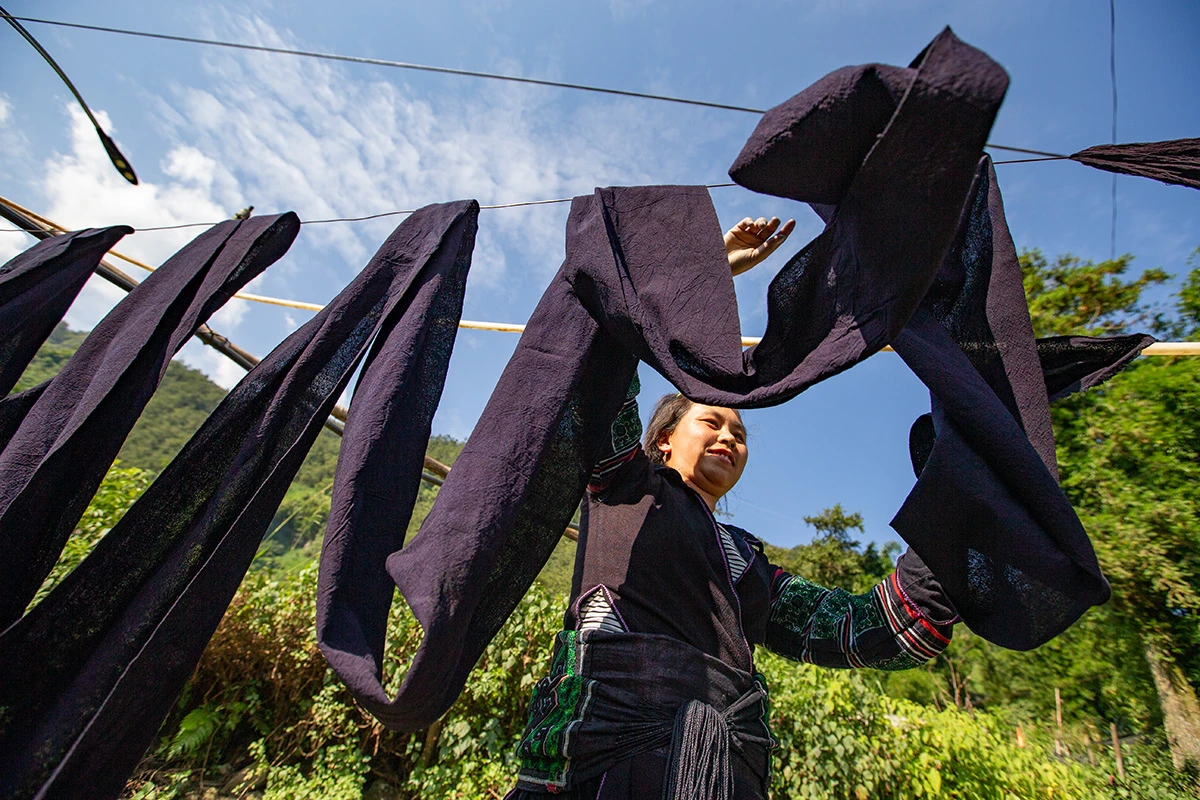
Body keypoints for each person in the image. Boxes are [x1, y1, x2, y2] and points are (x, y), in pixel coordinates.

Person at [506, 217, 958, 800]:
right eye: (711, 421)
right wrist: (705, 277)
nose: (729, 437)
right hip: (596, 759)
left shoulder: (742, 559)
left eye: (739, 433)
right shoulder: (621, 482)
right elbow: (603, 365)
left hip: (723, 773)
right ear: (663, 438)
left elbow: (861, 629)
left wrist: (955, 501)